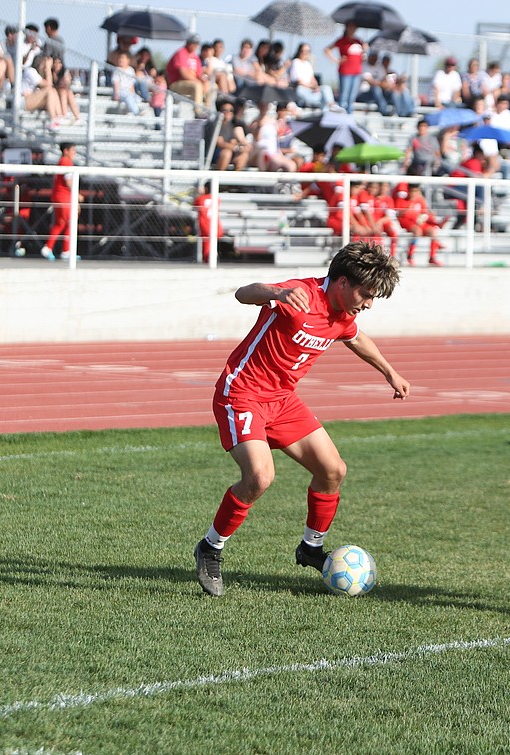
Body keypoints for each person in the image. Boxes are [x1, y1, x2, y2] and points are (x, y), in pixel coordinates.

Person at [193, 243, 410, 597]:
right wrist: (278, 292)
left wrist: (390, 372)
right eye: (366, 294)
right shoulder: (303, 295)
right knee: (260, 477)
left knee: (333, 470)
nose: (369, 304)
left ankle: (311, 548)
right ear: (341, 282)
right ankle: (210, 547)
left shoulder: (343, 315)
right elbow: (243, 293)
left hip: (283, 402)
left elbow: (355, 338)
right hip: (243, 395)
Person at [41, 142, 83, 261]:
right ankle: (61, 250)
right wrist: (77, 195)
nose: (74, 153)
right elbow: (68, 181)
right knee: (69, 221)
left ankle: (57, 249)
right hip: (64, 196)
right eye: (73, 150)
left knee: (62, 223)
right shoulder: (66, 162)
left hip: (59, 196)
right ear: (66, 151)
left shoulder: (62, 162)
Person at [325, 22, 365, 114]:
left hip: (356, 71)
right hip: (346, 71)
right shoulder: (342, 41)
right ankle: (341, 114)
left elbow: (362, 56)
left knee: (352, 97)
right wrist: (336, 60)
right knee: (344, 95)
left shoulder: (358, 41)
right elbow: (327, 50)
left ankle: (349, 115)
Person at [166, 34, 209, 108]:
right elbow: (184, 74)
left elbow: (199, 74)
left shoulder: (195, 56)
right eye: (194, 43)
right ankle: (198, 111)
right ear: (188, 43)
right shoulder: (181, 53)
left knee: (210, 85)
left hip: (191, 82)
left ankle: (208, 109)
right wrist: (199, 82)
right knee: (197, 85)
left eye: (197, 43)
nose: (195, 46)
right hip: (176, 83)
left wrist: (204, 82)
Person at [208, 99, 251, 171]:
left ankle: (235, 178)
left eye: (231, 110)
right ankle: (219, 178)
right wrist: (237, 148)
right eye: (225, 110)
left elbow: (234, 141)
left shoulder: (232, 125)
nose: (228, 113)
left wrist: (242, 146)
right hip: (213, 153)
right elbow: (220, 143)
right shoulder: (215, 125)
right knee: (227, 153)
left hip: (231, 152)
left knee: (244, 155)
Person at [289, 42, 334, 109]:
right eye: (304, 51)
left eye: (308, 51)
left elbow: (313, 79)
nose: (306, 53)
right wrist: (311, 86)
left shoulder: (308, 64)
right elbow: (299, 82)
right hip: (302, 89)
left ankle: (332, 106)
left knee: (326, 89)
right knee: (302, 91)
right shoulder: (295, 62)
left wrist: (316, 87)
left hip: (311, 89)